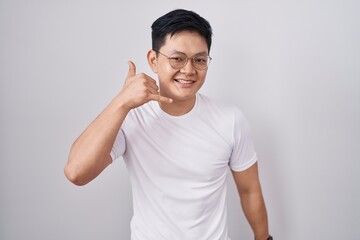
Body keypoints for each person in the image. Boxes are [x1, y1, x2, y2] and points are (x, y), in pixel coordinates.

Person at [64, 9, 271, 240]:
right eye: (177, 58)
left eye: (199, 60)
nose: (189, 70)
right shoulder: (132, 117)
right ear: (153, 60)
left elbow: (250, 191)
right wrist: (121, 101)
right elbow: (76, 172)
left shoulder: (230, 120)